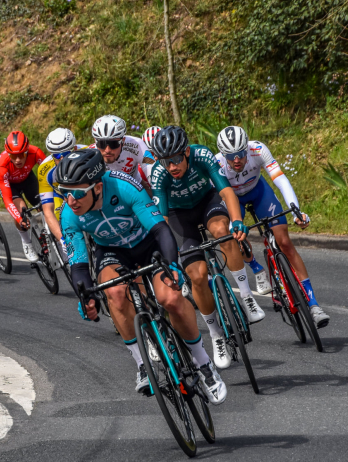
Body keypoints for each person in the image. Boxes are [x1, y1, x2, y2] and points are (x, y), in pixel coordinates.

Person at [60, 149, 226, 404]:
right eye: (65, 192)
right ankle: (141, 363)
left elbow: (161, 229)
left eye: (78, 193)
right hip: (112, 251)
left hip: (149, 242)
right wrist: (85, 297)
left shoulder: (124, 187)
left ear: (98, 187)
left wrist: (172, 267)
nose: (71, 200)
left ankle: (204, 363)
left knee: (169, 298)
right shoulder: (69, 214)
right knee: (113, 293)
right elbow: (79, 265)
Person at [149, 126, 265, 370]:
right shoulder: (159, 174)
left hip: (207, 203)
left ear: (187, 152)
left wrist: (237, 221)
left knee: (224, 232)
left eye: (176, 159)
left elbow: (225, 190)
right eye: (166, 161)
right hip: (180, 216)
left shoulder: (202, 155)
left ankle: (247, 298)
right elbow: (162, 222)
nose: (172, 167)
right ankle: (216, 335)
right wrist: (169, 257)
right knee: (198, 276)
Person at [215, 126, 330, 328]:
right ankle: (256, 268)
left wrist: (296, 210)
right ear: (224, 155)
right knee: (237, 238)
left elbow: (280, 179)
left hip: (259, 192)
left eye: (241, 154)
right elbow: (221, 196)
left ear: (246, 148)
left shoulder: (257, 149)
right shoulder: (216, 164)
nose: (236, 160)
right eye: (231, 156)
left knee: (284, 241)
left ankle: (313, 305)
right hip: (234, 200)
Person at [0, 131, 46, 262]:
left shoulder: (36, 152)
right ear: (8, 154)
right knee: (21, 210)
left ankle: (50, 236)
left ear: (27, 151)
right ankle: (27, 243)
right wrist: (18, 218)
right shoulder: (2, 165)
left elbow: (50, 175)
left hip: (27, 178)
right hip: (10, 185)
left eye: (22, 155)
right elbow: (7, 200)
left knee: (45, 205)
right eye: (13, 155)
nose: (17, 160)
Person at [37, 127, 87, 244]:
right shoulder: (44, 170)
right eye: (58, 156)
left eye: (66, 154)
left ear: (74, 149)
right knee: (60, 221)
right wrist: (62, 240)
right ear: (51, 154)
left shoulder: (88, 152)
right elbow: (47, 210)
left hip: (82, 191)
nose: (63, 159)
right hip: (59, 194)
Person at [90, 115, 148, 185]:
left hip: (135, 186)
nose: (107, 150)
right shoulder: (90, 154)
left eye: (113, 144)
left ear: (123, 141)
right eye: (102, 144)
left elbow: (152, 170)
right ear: (95, 141)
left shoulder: (137, 144)